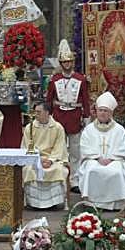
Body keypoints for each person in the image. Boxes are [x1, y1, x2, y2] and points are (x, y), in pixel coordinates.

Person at [79, 92, 125, 210]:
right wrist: (98, 158)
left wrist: (111, 159)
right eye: (100, 110)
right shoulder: (89, 129)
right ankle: (92, 203)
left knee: (117, 172)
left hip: (114, 160)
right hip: (94, 159)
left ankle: (117, 203)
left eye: (106, 111)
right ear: (96, 112)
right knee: (91, 170)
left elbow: (123, 147)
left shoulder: (119, 130)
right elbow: (85, 147)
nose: (103, 113)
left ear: (111, 113)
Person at [46, 39, 91, 185]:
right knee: (60, 149)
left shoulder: (80, 79)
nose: (67, 64)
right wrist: (48, 117)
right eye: (64, 62)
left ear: (72, 62)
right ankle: (61, 177)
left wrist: (86, 118)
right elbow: (49, 99)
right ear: (60, 63)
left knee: (75, 150)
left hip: (74, 116)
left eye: (69, 62)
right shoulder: (54, 79)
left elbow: (85, 100)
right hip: (59, 115)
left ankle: (75, 180)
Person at [20, 102, 69, 210]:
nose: (36, 115)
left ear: (47, 113)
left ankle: (54, 203)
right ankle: (33, 203)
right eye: (35, 112)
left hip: (53, 159)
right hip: (35, 159)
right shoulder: (30, 127)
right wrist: (38, 160)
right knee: (29, 170)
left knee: (57, 170)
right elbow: (26, 147)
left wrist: (50, 160)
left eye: (38, 112)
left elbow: (59, 147)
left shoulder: (57, 127)